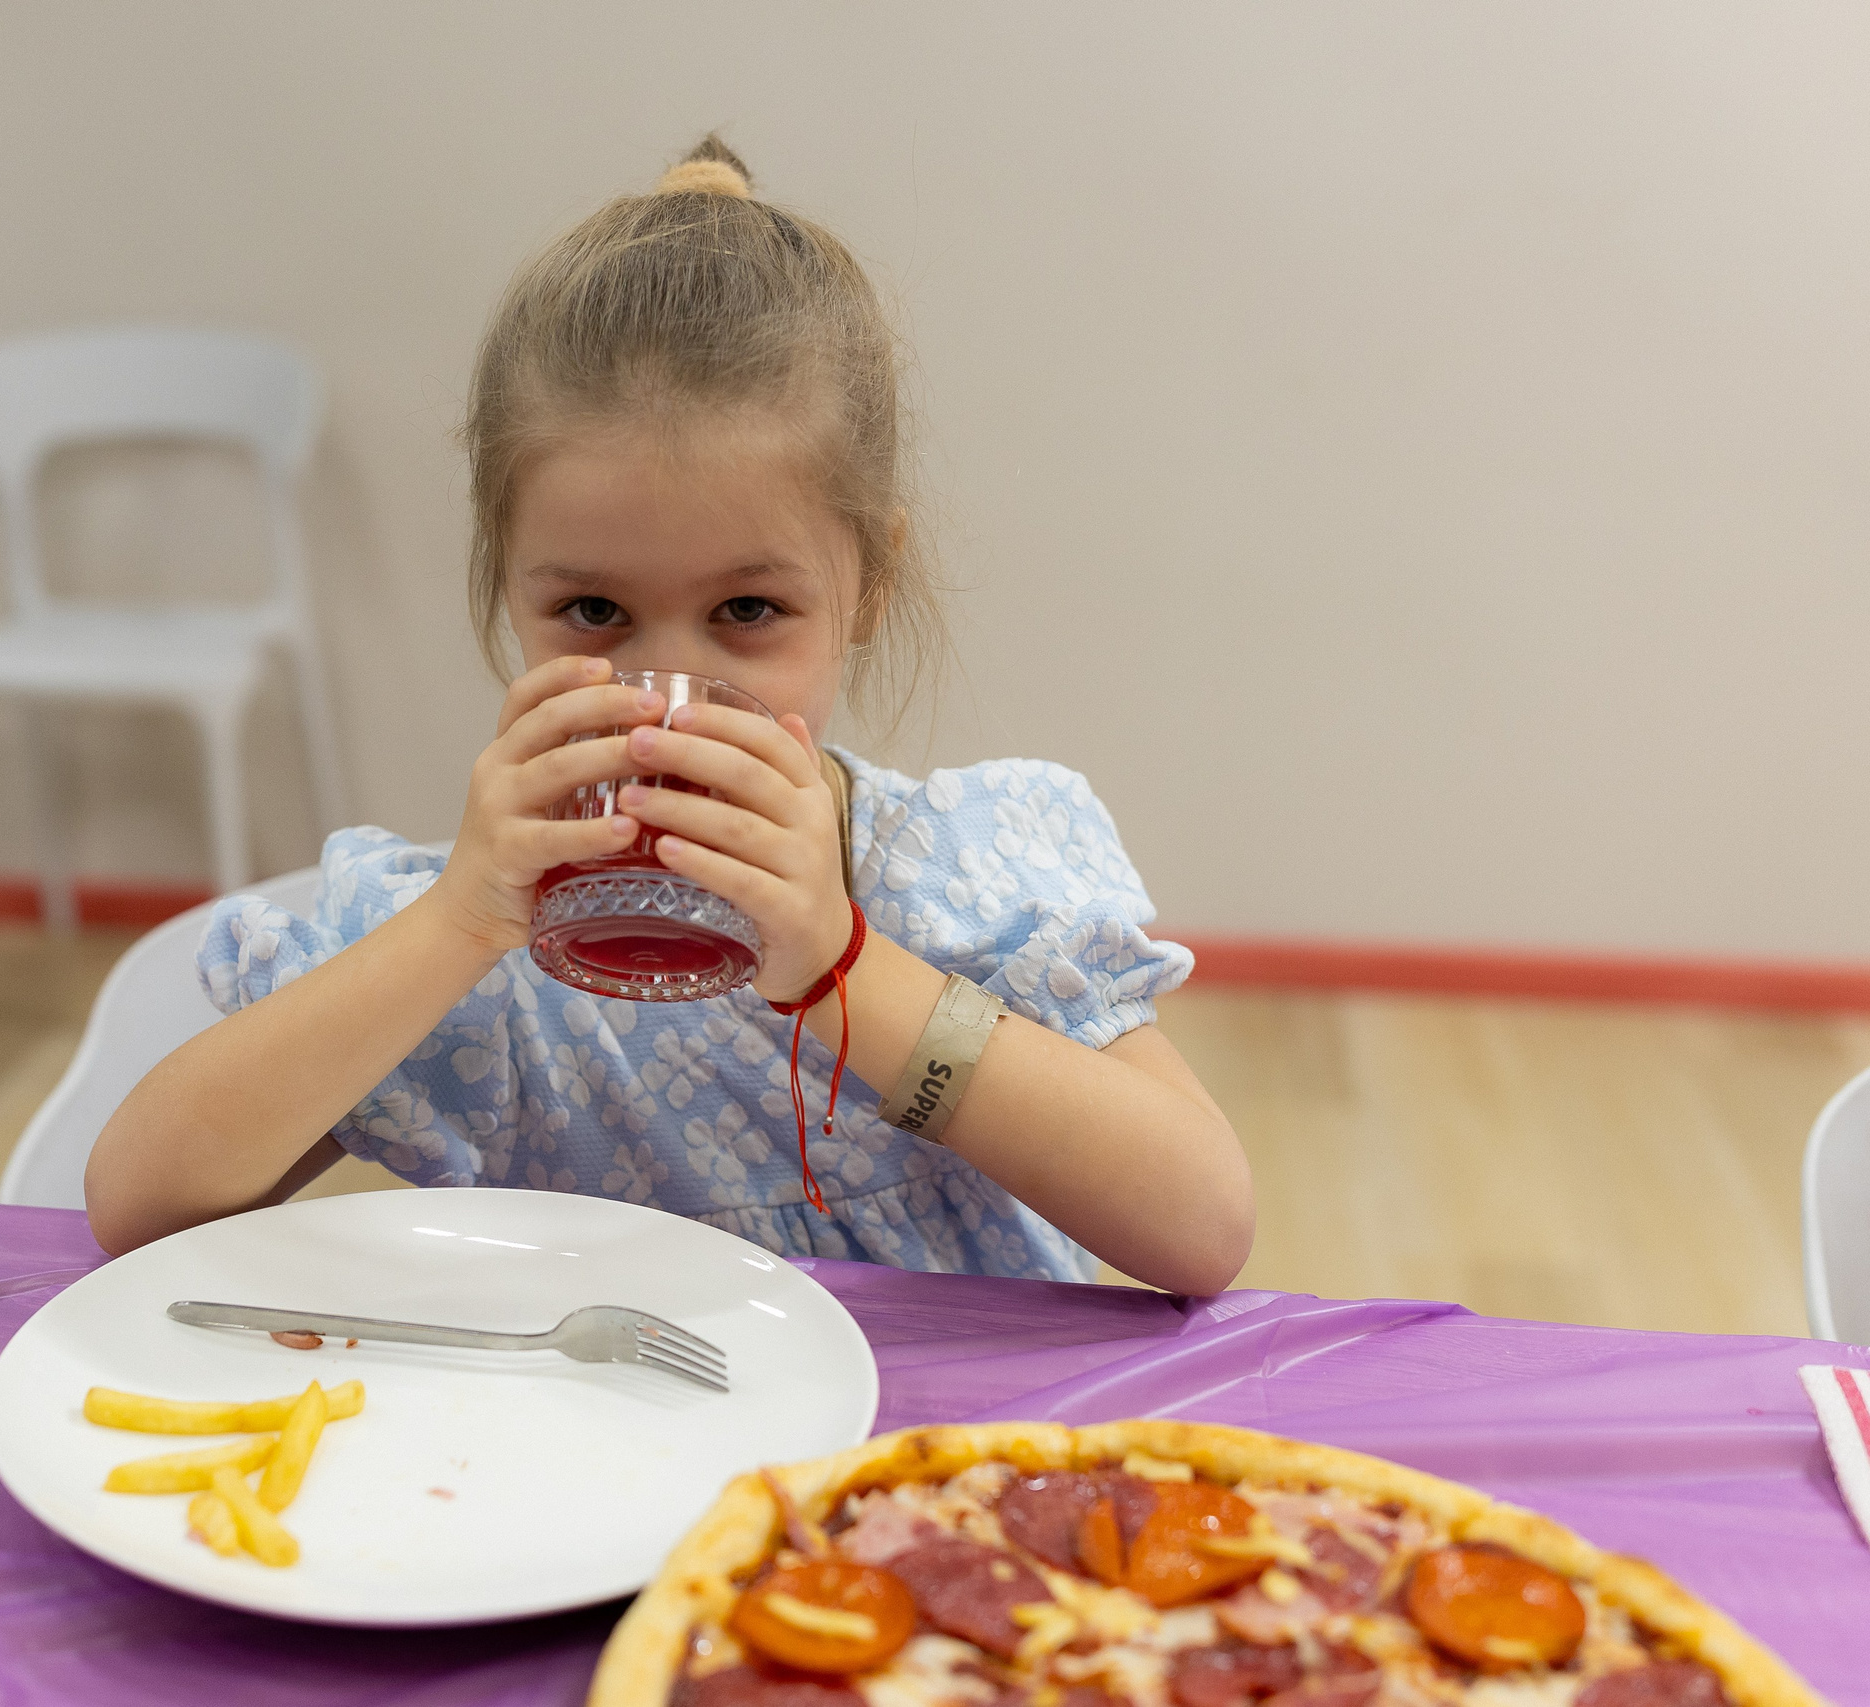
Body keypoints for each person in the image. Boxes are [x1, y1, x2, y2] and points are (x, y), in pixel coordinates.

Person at [85, 137, 1252, 1294]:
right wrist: (455, 926)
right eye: (593, 610)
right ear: (510, 590)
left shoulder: (963, 879)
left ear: (870, 587)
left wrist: (845, 973)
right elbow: (140, 1204)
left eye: (748, 609)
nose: (661, 693)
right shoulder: (475, 949)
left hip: (925, 1464)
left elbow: (1199, 1229)